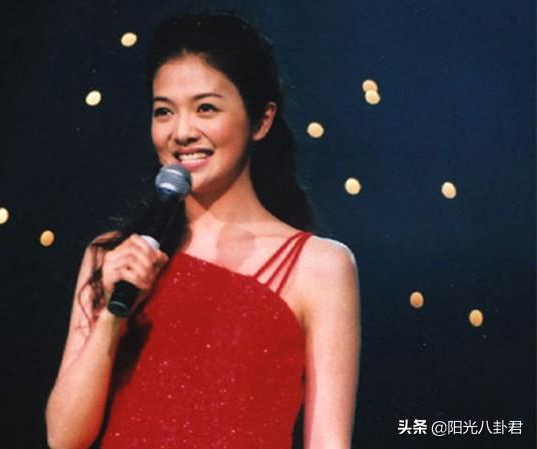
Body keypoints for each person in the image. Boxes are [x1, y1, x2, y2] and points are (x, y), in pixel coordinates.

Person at [46, 10, 360, 449]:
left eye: (206, 108)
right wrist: (111, 318)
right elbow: (63, 437)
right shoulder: (113, 257)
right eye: (163, 112)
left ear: (262, 120)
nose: (181, 132)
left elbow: (328, 440)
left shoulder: (320, 267)